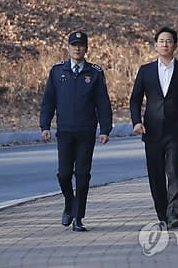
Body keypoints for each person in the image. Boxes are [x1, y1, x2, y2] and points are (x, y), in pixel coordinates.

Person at [40, 31, 113, 232]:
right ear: (68, 47)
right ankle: (69, 203)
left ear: (86, 48)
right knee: (64, 174)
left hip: (86, 132)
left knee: (82, 175)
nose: (77, 48)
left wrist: (105, 128)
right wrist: (45, 125)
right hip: (64, 131)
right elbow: (48, 101)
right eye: (74, 45)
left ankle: (78, 217)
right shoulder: (57, 72)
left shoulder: (95, 73)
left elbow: (103, 103)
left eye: (81, 45)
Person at [129, 26, 178, 229]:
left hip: (175, 130)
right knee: (155, 174)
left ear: (175, 45)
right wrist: (136, 122)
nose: (165, 44)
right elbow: (135, 100)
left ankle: (175, 214)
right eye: (161, 41)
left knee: (174, 171)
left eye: (169, 41)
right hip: (151, 130)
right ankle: (162, 212)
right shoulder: (146, 71)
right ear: (155, 45)